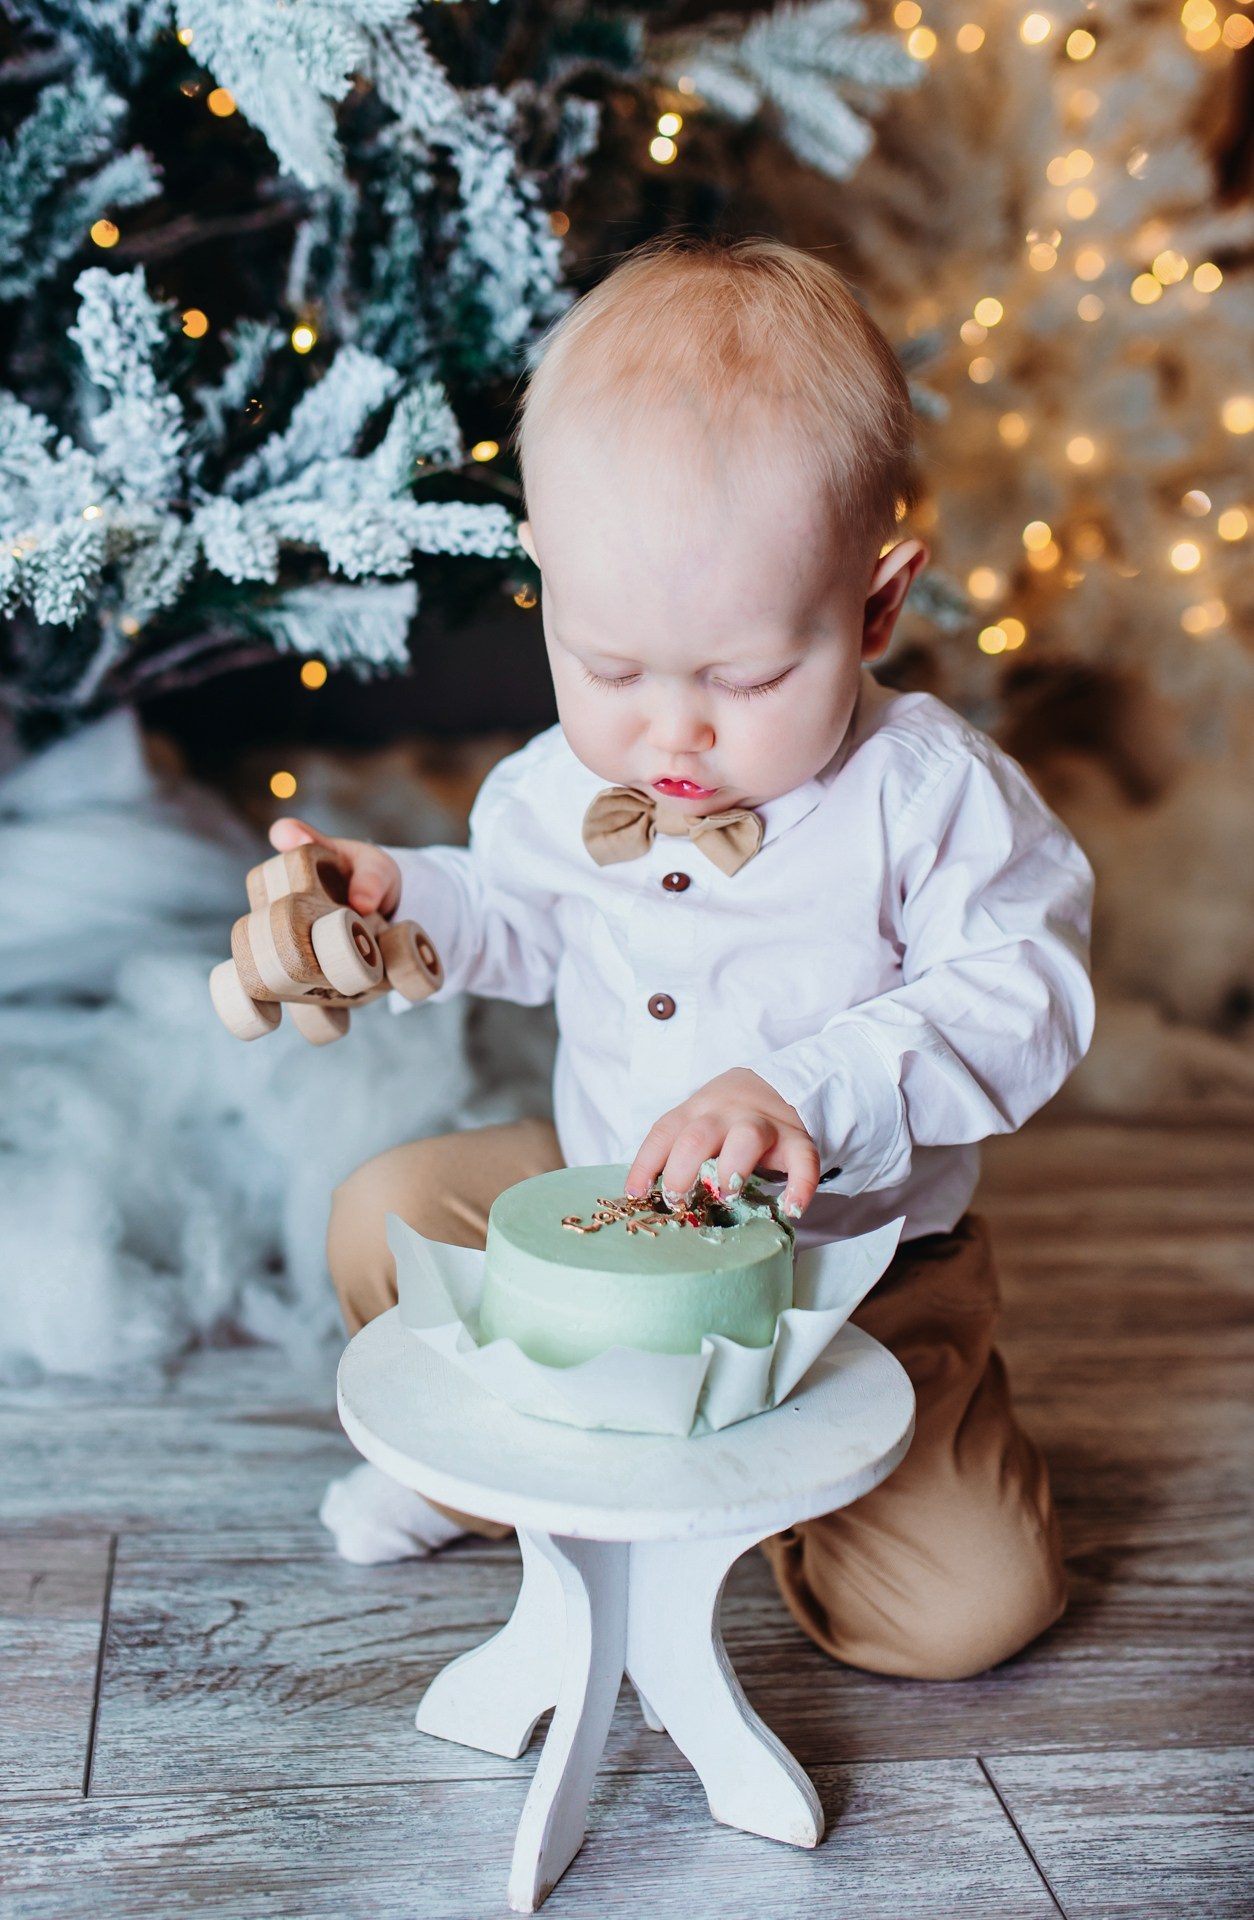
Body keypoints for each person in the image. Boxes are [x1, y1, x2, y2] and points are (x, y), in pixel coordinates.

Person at [282, 235, 1094, 1681]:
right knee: (385, 1214)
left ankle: (768, 1502)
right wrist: (397, 902)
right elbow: (520, 920)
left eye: (744, 677)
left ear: (875, 603)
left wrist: (804, 1090)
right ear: (546, 588)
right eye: (608, 668)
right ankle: (500, 1479)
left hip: (851, 1278)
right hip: (602, 1218)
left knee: (967, 1616)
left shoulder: (929, 795)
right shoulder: (552, 786)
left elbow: (1019, 997)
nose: (673, 736)